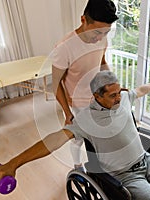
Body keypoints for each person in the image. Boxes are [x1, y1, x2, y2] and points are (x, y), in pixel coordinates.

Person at [0, 71, 150, 200]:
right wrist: (12, 164)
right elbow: (52, 141)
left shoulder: (123, 97)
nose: (118, 97)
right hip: (125, 175)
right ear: (96, 96)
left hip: (147, 160)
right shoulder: (85, 120)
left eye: (118, 92)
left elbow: (138, 91)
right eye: (112, 95)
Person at [50, 0, 118, 169]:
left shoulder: (102, 39)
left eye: (105, 32)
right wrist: (67, 113)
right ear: (83, 20)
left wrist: (113, 84)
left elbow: (101, 62)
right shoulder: (64, 47)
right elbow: (56, 84)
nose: (100, 38)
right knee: (79, 138)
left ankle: (103, 164)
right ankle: (77, 165)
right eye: (97, 32)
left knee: (101, 133)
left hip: (99, 98)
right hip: (78, 103)